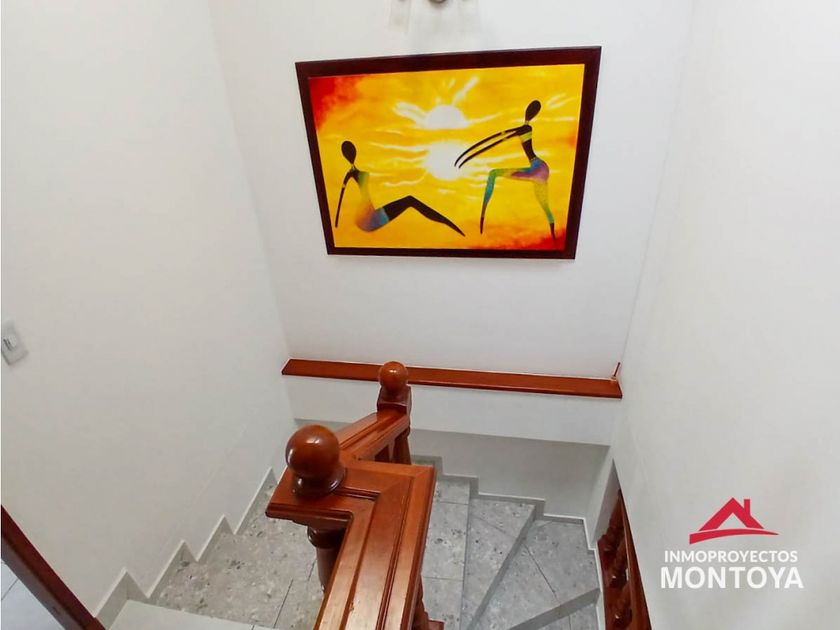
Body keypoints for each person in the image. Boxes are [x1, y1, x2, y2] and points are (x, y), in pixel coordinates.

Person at [455, 100, 555, 242]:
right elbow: (502, 137)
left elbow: (501, 138)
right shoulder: (525, 128)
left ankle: (482, 215)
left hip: (537, 169)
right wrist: (501, 137)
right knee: (545, 206)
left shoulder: (525, 129)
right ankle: (553, 236)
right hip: (541, 169)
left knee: (493, 173)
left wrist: (497, 139)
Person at [335, 141, 464, 236]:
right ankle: (445, 221)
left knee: (410, 201)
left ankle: (445, 221)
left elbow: (343, 194)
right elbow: (341, 196)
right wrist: (336, 221)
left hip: (370, 214)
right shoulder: (351, 174)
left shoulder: (354, 173)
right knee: (410, 200)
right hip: (368, 219)